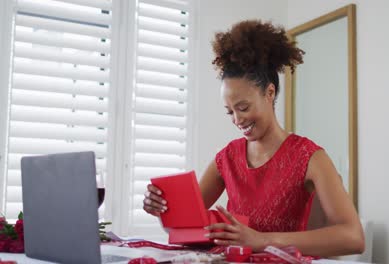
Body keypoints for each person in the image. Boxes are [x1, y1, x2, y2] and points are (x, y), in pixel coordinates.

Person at [143, 20, 364, 257]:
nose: (237, 120)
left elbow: (353, 238)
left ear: (269, 93)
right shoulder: (227, 157)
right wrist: (163, 209)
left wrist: (261, 240)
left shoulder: (310, 157)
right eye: (230, 111)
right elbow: (183, 227)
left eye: (243, 107)